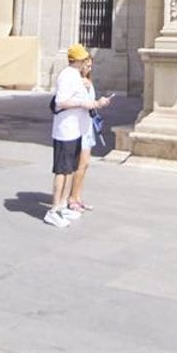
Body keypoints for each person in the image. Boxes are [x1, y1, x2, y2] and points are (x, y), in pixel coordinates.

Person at [45, 44, 108, 228]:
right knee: (62, 170)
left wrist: (94, 104)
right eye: (83, 59)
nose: (85, 62)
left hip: (75, 130)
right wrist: (84, 103)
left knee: (70, 169)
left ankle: (63, 205)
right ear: (77, 60)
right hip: (65, 130)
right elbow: (60, 102)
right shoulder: (67, 75)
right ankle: (53, 209)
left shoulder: (76, 77)